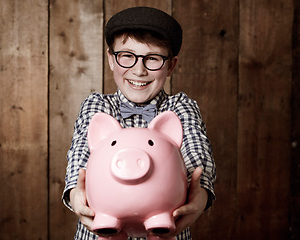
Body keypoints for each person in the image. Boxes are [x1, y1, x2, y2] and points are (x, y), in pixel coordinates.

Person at [62, 6, 216, 240]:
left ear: (171, 65)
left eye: (153, 59)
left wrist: (200, 194)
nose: (139, 70)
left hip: (166, 230)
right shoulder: (97, 106)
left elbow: (197, 155)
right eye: (127, 56)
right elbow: (80, 156)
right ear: (111, 59)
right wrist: (76, 193)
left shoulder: (181, 108)